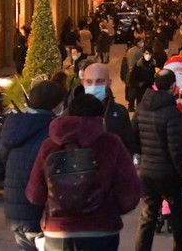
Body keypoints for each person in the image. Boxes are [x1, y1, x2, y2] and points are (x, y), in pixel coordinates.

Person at [26, 93, 142, 251]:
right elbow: (130, 191)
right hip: (101, 230)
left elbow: (35, 195)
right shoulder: (111, 143)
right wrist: (112, 209)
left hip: (57, 232)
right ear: (100, 118)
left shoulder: (49, 145)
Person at [0, 80, 66, 250]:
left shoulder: (12, 126)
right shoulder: (52, 132)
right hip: (42, 212)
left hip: (15, 212)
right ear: (55, 106)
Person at [133, 71, 182, 251]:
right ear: (173, 87)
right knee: (180, 217)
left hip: (147, 171)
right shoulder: (171, 113)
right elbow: (176, 150)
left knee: (148, 217)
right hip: (169, 175)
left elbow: (134, 139)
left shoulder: (142, 107)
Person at [77, 62, 136, 153]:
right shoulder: (72, 114)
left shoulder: (120, 112)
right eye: (89, 82)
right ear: (82, 83)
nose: (94, 86)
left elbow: (129, 146)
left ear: (109, 83)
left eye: (99, 81)